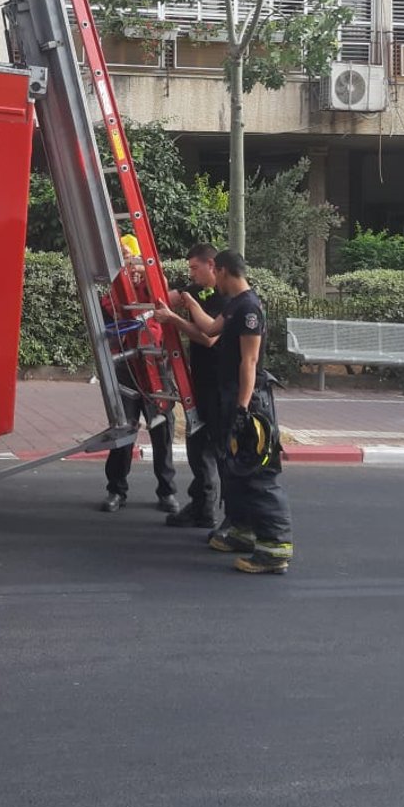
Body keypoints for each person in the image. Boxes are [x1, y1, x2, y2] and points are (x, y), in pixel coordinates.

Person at [157, 250, 292, 575]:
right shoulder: (233, 305)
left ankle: (275, 547)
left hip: (249, 400)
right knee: (231, 467)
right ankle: (241, 530)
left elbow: (249, 362)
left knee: (256, 473)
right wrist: (181, 308)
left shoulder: (248, 308)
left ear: (223, 270)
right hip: (229, 397)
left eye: (212, 270)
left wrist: (243, 410)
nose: (209, 277)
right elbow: (210, 329)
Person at [100, 235, 178, 515]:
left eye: (130, 256)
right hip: (126, 365)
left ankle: (167, 491)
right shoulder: (114, 288)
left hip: (154, 363)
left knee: (162, 428)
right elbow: (107, 314)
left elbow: (162, 293)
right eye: (123, 257)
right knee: (124, 428)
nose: (128, 264)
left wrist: (144, 271)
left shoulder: (151, 281)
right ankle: (116, 489)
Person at [159, 243, 224, 530]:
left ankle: (208, 509)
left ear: (212, 265)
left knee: (208, 446)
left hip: (218, 382)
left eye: (195, 268)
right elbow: (161, 299)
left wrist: (174, 321)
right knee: (197, 444)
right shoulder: (196, 290)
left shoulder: (226, 297)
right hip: (199, 380)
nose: (192, 274)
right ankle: (200, 506)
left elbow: (209, 337)